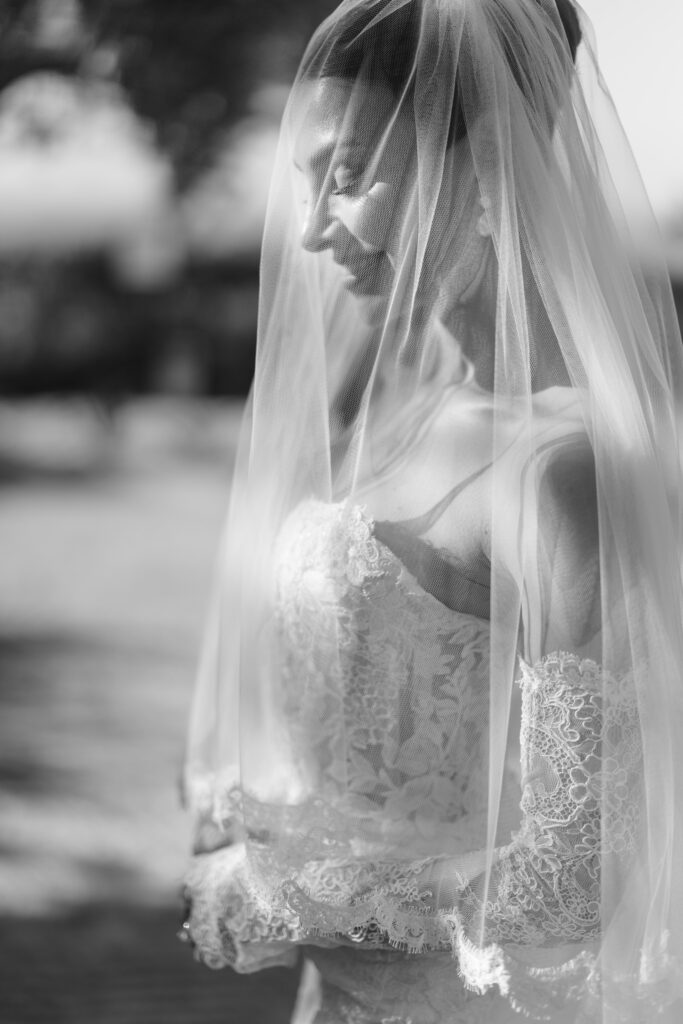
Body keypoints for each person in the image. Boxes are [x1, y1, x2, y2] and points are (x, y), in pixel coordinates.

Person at [180, 1, 683, 1021]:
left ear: (488, 161)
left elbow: (573, 876)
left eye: (351, 174)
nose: (316, 227)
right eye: (305, 182)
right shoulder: (406, 415)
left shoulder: (563, 472)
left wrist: (282, 889)